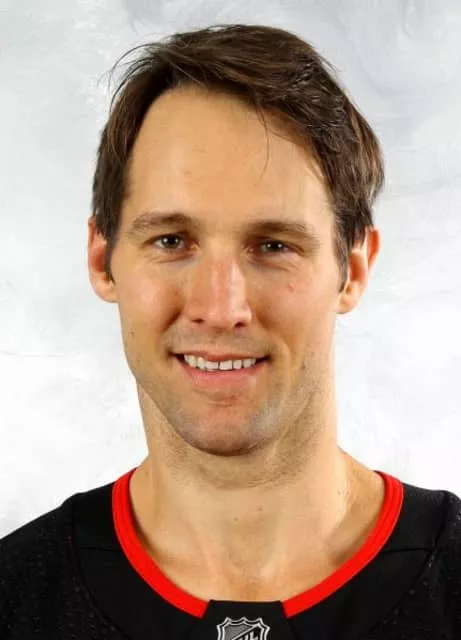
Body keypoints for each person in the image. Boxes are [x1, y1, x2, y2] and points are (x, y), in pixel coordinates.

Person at [1, 23, 460, 640]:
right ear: (102, 259)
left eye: (273, 245)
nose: (220, 308)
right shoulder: (15, 597)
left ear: (352, 271)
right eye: (171, 241)